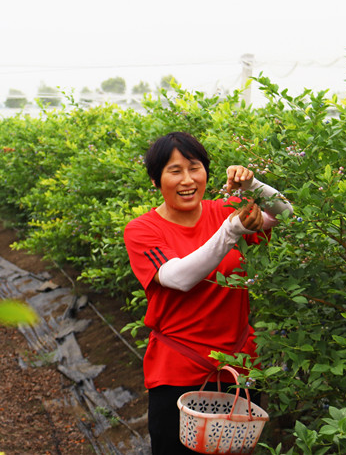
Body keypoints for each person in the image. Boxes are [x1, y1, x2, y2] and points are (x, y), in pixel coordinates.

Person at [123, 132, 292, 454]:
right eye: (174, 171)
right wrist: (230, 232)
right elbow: (179, 277)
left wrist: (253, 186)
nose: (187, 179)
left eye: (194, 167)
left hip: (238, 363)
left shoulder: (224, 209)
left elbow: (285, 214)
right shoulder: (143, 230)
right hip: (178, 369)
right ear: (156, 181)